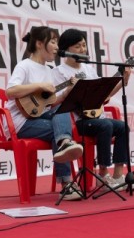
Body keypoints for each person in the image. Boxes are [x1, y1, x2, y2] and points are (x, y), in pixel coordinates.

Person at [5, 26, 84, 200]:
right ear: (40, 44)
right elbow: (10, 91)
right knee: (58, 129)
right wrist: (39, 86)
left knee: (61, 109)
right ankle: (67, 183)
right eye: (53, 42)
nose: (57, 47)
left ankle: (64, 143)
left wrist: (66, 92)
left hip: (39, 115)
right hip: (21, 121)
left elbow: (50, 102)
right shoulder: (24, 66)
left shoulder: (48, 70)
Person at [52, 28, 132, 191]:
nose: (83, 50)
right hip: (78, 121)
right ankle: (103, 175)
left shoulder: (88, 69)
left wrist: (123, 81)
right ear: (66, 49)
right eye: (78, 46)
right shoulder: (58, 72)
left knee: (123, 127)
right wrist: (70, 88)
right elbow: (56, 98)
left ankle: (118, 175)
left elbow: (103, 95)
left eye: (84, 45)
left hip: (96, 116)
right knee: (106, 126)